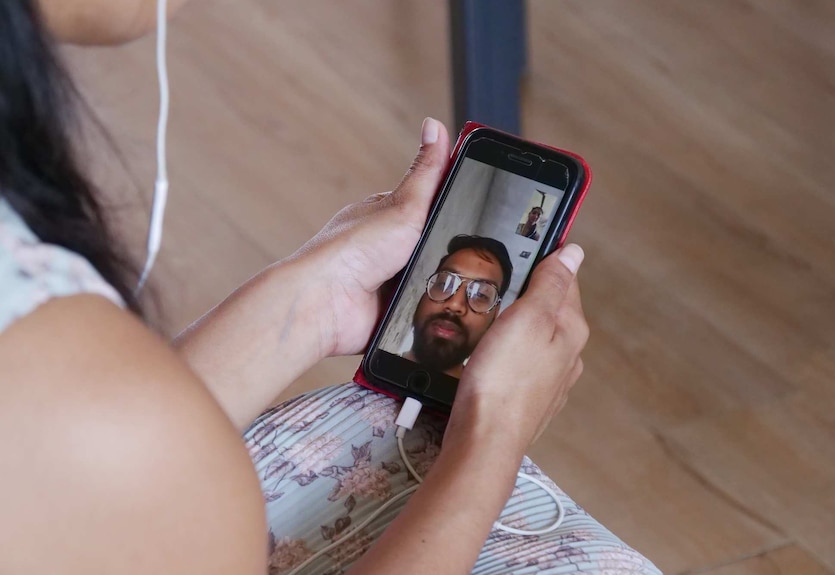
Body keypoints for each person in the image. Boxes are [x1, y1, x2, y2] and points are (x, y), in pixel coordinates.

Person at [0, 2, 661, 574]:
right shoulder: (61, 379)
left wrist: (311, 305)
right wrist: (489, 441)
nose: (460, 301)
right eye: (451, 281)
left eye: (480, 293)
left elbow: (68, 460)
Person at [405, 235, 513, 378]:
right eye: (444, 284)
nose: (455, 304)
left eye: (480, 295)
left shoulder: (488, 401)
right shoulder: (366, 365)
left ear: (494, 315)